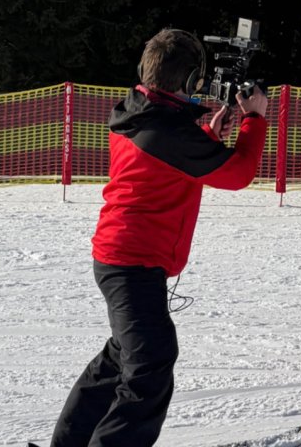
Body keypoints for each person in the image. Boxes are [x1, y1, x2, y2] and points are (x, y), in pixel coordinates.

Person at [50, 28, 268, 447]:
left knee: (123, 357)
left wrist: (207, 137)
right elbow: (238, 175)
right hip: (131, 263)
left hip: (125, 258)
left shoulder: (140, 113)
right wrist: (254, 119)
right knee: (150, 361)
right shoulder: (164, 131)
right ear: (188, 84)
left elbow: (167, 163)